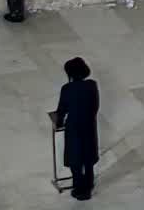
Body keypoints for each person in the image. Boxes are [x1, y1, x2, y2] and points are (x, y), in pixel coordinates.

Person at [54, 57, 100, 201]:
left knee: (75, 157)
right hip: (89, 125)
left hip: (73, 127)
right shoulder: (92, 85)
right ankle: (89, 183)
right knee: (88, 156)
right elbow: (95, 106)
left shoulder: (67, 89)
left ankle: (79, 187)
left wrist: (58, 122)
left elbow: (61, 110)